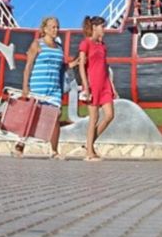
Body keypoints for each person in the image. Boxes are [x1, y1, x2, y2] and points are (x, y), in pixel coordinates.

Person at [16, 16, 76, 159]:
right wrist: (25, 86)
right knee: (32, 116)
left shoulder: (59, 47)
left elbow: (61, 67)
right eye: (52, 27)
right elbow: (28, 66)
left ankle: (54, 151)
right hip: (38, 86)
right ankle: (20, 145)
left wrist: (73, 64)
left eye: (57, 27)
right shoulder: (37, 44)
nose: (55, 30)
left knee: (55, 116)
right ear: (45, 29)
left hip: (54, 88)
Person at [78, 15, 114, 162]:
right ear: (94, 27)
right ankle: (89, 152)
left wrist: (113, 86)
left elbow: (105, 67)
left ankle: (89, 144)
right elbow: (81, 66)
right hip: (92, 84)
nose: (104, 29)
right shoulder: (85, 43)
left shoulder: (103, 46)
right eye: (102, 26)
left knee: (110, 115)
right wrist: (86, 86)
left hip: (105, 84)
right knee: (94, 118)